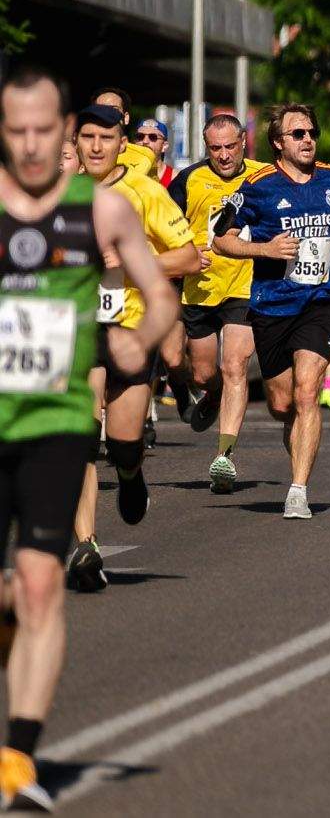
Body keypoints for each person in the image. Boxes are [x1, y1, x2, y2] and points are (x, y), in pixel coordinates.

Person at [0, 67, 176, 808]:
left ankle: (16, 760)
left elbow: (162, 291)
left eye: (47, 131)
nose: (34, 144)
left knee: (42, 583)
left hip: (55, 419)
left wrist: (142, 340)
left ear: (66, 135)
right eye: (18, 132)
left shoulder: (102, 210)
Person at [68, 105, 199, 589]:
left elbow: (189, 257)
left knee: (123, 443)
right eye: (88, 137)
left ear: (123, 143)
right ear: (77, 142)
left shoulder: (146, 193)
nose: (97, 146)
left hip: (129, 331)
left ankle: (129, 474)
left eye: (107, 137)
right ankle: (86, 544)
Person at [212, 104, 330, 521]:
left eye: (311, 132)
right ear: (279, 143)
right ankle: (296, 437)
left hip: (319, 300)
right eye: (298, 134)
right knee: (282, 404)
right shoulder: (257, 185)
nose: (308, 139)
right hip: (272, 304)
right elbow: (220, 240)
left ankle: (298, 489)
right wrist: (264, 249)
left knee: (307, 393)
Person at [165, 112, 268, 494]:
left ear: (244, 142)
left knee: (235, 364)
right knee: (206, 373)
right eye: (215, 148)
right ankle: (210, 394)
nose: (224, 155)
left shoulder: (264, 177)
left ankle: (224, 456)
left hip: (245, 286)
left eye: (230, 146)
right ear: (205, 147)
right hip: (200, 289)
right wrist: (187, 253)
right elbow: (160, 225)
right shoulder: (190, 180)